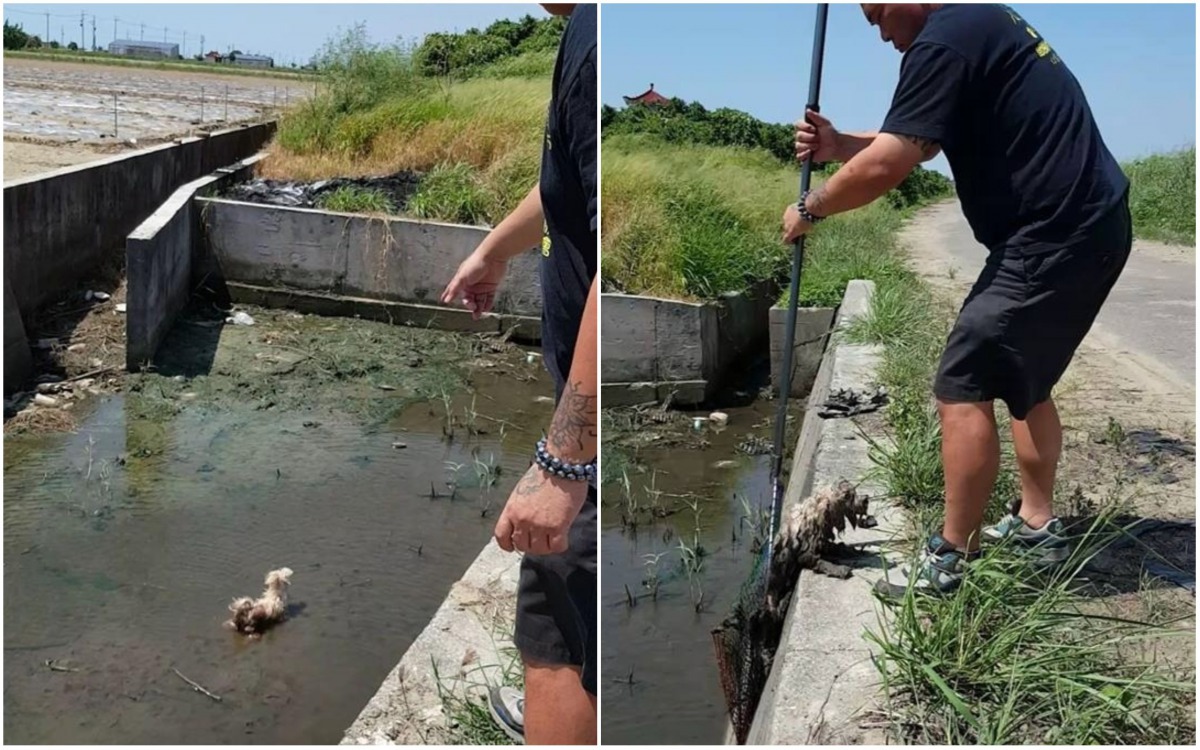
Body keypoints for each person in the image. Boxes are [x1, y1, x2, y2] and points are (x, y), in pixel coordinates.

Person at [784, 4, 1132, 596]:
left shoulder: (943, 41)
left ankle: (952, 558)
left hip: (1050, 236)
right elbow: (917, 141)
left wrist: (810, 207)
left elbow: (892, 162)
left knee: (962, 381)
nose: (880, 33)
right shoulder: (977, 21)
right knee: (1026, 379)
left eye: (876, 17)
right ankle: (1037, 524)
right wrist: (842, 143)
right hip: (1088, 225)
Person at [441, 2, 596, 743]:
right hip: (590, 410)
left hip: (592, 429)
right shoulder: (588, 30)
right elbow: (565, 186)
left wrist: (564, 461)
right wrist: (496, 249)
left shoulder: (600, 38)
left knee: (557, 634)